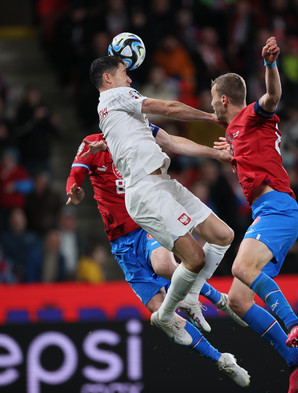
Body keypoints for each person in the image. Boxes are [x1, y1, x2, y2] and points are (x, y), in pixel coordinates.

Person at [65, 129, 249, 387]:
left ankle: (219, 299)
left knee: (164, 264)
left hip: (145, 225)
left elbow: (168, 148)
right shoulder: (93, 143)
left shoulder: (136, 140)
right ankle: (221, 360)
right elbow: (76, 171)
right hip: (120, 244)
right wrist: (72, 187)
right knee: (163, 316)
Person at [89, 54, 235, 346]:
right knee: (194, 258)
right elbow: (168, 107)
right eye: (123, 72)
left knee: (223, 234)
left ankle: (191, 296)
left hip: (163, 182)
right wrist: (211, 117)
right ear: (108, 79)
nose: (130, 79)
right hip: (146, 189)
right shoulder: (117, 96)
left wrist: (216, 153)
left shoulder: (127, 115)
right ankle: (167, 313)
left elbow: (170, 141)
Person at [210, 37, 298, 393]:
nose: (211, 107)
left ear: (224, 98)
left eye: (212, 100)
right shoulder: (235, 133)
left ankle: (294, 325)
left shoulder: (251, 115)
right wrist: (232, 156)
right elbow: (253, 157)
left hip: (277, 209)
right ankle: (295, 359)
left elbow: (272, 99)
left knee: (240, 266)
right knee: (238, 301)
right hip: (270, 212)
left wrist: (270, 66)